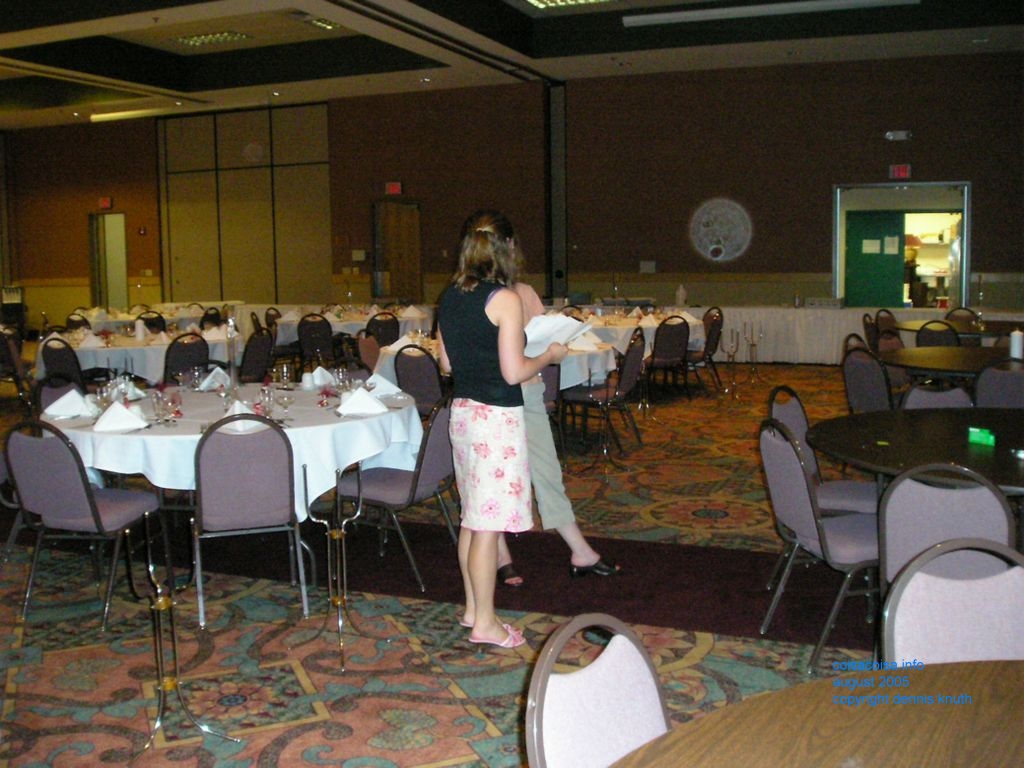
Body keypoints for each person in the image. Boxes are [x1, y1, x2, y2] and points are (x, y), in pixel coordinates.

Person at [436, 209, 568, 648]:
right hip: (496, 419)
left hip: (463, 413)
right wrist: (548, 355)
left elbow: (446, 363)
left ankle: (474, 608)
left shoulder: (450, 296)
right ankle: (487, 624)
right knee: (487, 525)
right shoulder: (504, 300)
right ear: (507, 248)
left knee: (473, 520)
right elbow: (515, 373)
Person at [493, 279, 621, 585]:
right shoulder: (475, 295)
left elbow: (542, 333)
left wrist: (550, 351)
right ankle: (500, 556)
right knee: (495, 478)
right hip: (492, 399)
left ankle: (581, 552)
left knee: (547, 472)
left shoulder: (522, 291)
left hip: (527, 391)